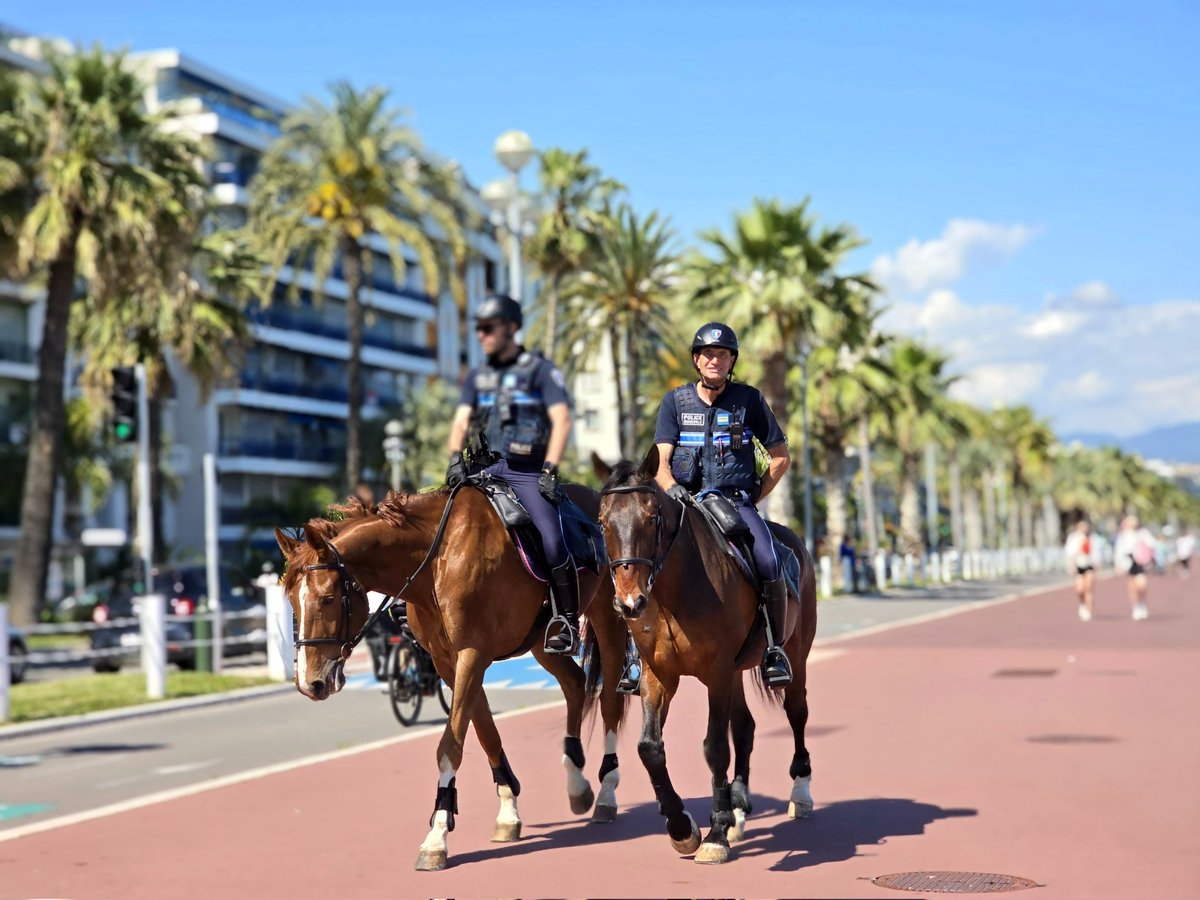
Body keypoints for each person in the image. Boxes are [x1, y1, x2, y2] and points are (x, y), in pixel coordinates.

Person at [652, 322, 794, 686]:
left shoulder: (750, 400)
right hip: (684, 503)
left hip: (734, 502)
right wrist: (671, 490)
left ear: (731, 361)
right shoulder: (675, 402)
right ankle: (631, 658)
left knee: (768, 560)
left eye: (723, 355)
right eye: (708, 354)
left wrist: (754, 496)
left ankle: (775, 650)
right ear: (696, 361)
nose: (715, 360)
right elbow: (660, 461)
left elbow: (779, 457)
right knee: (636, 557)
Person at [445, 294, 580, 654]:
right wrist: (455, 458)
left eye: (489, 328)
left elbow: (562, 420)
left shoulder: (541, 370)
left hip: (526, 471)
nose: (482, 335)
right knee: (433, 518)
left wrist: (550, 468)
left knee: (552, 540)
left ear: (511, 328)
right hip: (484, 469)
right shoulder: (479, 376)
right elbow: (461, 419)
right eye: (480, 329)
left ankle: (566, 620)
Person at [1113, 514, 1155, 621]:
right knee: (1132, 586)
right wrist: (1118, 564)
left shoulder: (1143, 533)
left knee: (1142, 585)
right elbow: (1119, 550)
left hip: (1140, 561)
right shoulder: (1123, 535)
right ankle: (1136, 607)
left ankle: (1142, 603)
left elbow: (1152, 544)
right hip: (1129, 561)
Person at [1063, 519, 1096, 621]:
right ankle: (1082, 603)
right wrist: (1070, 566)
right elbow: (1069, 553)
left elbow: (1097, 553)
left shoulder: (1092, 538)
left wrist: (1097, 566)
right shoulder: (1073, 538)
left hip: (1089, 565)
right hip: (1078, 565)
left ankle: (1088, 609)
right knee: (1080, 589)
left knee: (1088, 588)